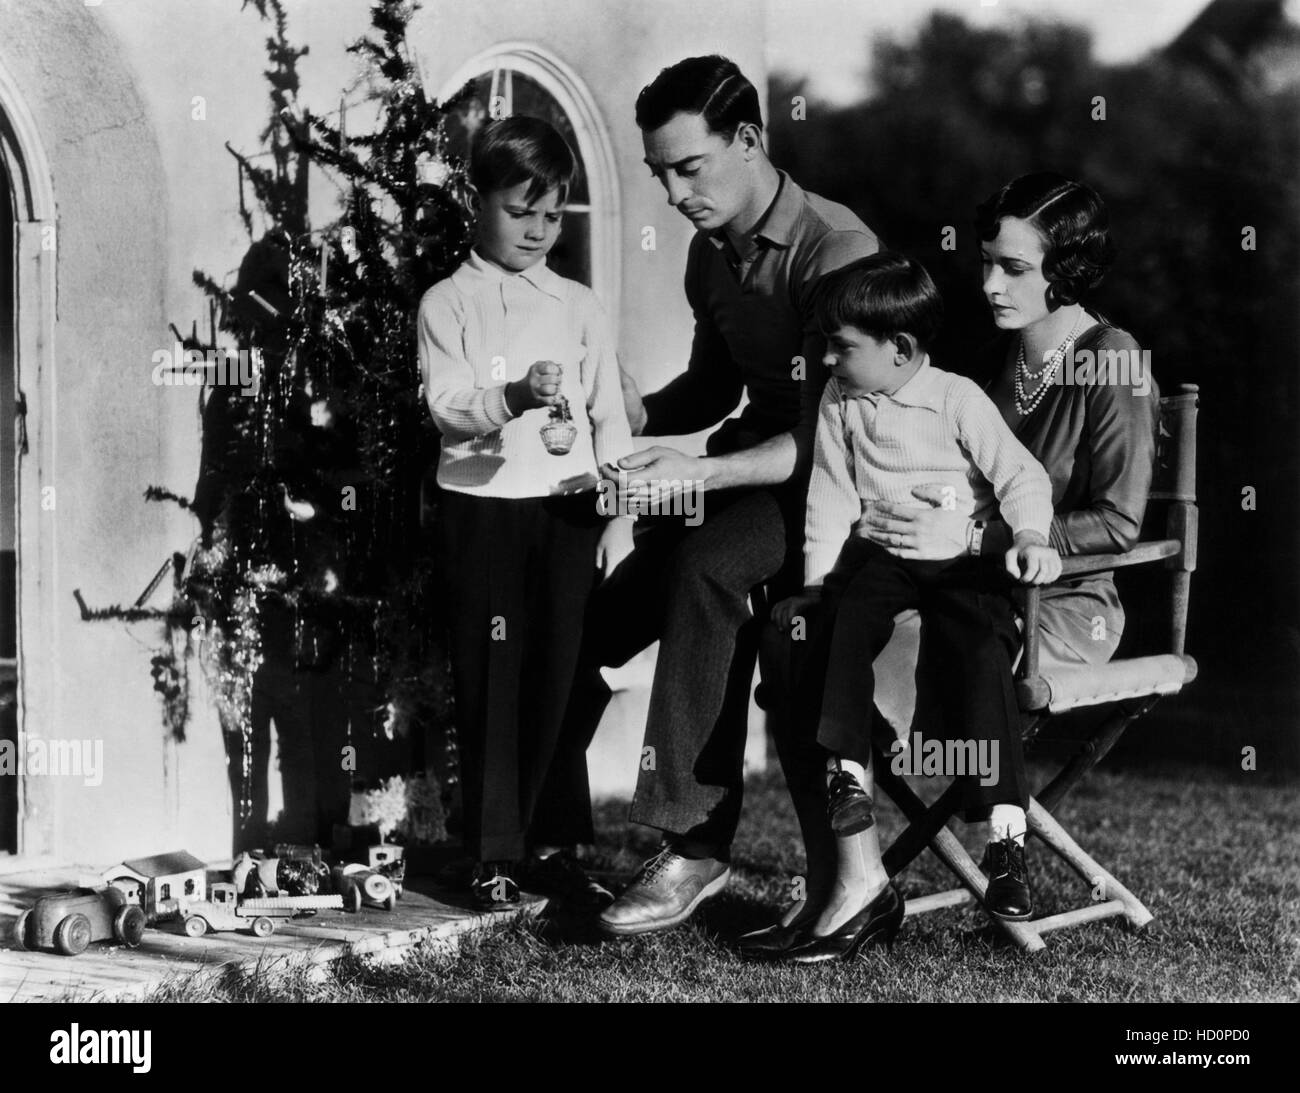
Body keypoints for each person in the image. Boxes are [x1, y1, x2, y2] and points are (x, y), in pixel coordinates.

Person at [759, 173, 1159, 954]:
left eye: (1013, 267)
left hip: (1061, 603)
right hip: (955, 584)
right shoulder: (996, 358)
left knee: (844, 649)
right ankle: (851, 874)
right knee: (796, 636)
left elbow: (1117, 521)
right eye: (985, 262)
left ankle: (861, 885)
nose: (988, 283)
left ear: (1067, 270)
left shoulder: (1114, 360)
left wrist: (971, 540)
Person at [528, 55, 879, 937]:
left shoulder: (837, 252)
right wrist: (631, 409)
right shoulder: (708, 252)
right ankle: (538, 827)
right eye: (659, 174)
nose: (675, 192)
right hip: (743, 471)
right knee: (603, 608)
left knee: (707, 566)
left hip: (830, 487)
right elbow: (711, 389)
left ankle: (695, 846)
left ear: (750, 140)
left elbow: (821, 435)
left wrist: (698, 474)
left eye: (691, 167)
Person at [769, 252, 1059, 961]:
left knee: (983, 648)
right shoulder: (841, 401)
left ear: (899, 348)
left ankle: (1007, 843)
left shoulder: (955, 397)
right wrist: (814, 580)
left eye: (842, 345)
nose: (829, 357)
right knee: (840, 618)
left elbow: (1021, 473)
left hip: (958, 559)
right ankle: (849, 777)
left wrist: (1025, 535)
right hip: (882, 557)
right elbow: (831, 496)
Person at [418, 116, 635, 911]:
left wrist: (619, 512)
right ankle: (490, 852)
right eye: (521, 212)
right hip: (482, 512)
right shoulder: (448, 302)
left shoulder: (579, 304)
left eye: (553, 215)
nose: (539, 231)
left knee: (563, 674)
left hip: (569, 511)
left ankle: (553, 844)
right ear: (478, 202)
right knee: (490, 680)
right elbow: (446, 409)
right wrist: (512, 396)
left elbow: (610, 414)